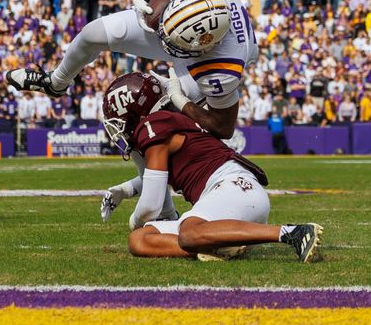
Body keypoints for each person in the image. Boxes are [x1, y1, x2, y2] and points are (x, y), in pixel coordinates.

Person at [7, 0, 258, 141]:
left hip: (202, 60)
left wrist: (182, 102)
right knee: (94, 33)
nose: (164, 41)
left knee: (149, 116)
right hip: (187, 29)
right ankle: (55, 83)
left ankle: (159, 203)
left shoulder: (222, 70)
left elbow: (224, 127)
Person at [101, 73, 323, 262]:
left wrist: (134, 221)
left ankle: (291, 232)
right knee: (139, 240)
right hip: (226, 198)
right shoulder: (165, 124)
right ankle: (216, 246)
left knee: (188, 233)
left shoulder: (153, 126)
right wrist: (127, 189)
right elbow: (159, 177)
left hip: (234, 189)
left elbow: (151, 207)